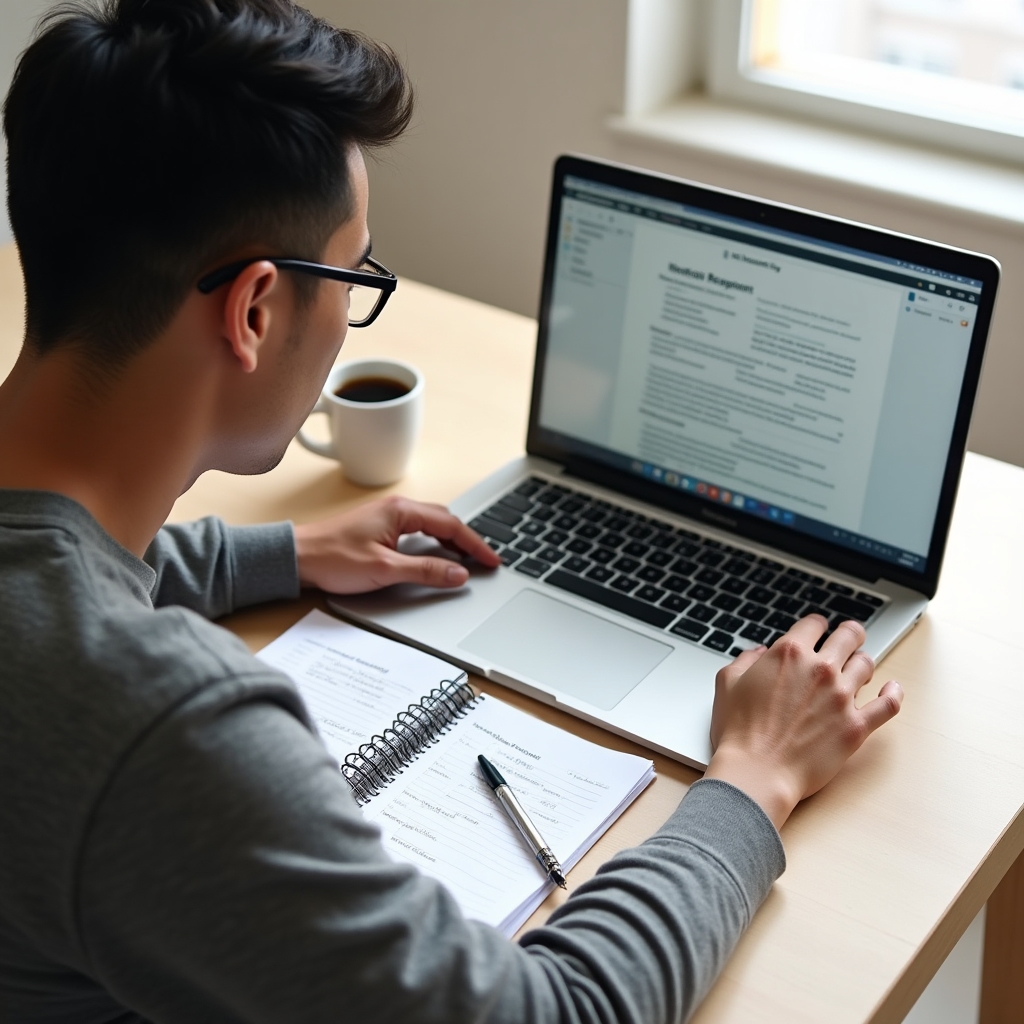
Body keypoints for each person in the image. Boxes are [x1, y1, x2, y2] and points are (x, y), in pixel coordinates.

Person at [0, 1, 904, 1021]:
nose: (350, 313)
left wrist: (281, 550)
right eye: (353, 274)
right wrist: (750, 782)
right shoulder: (158, 733)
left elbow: (50, 576)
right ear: (255, 312)